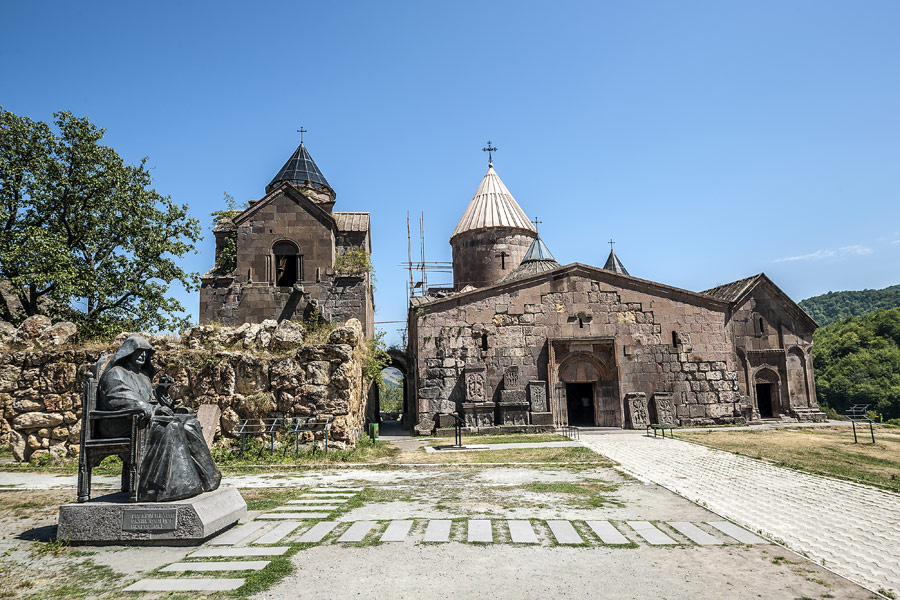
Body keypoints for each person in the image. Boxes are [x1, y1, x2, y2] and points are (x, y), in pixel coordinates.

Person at [97, 334, 221, 502]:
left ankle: (209, 477)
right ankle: (164, 487)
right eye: (139, 351)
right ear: (129, 352)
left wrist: (162, 392)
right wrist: (152, 409)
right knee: (172, 426)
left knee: (189, 422)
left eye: (146, 352)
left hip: (142, 418)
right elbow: (121, 398)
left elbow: (152, 401)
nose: (143, 355)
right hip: (120, 423)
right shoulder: (115, 373)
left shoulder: (142, 376)